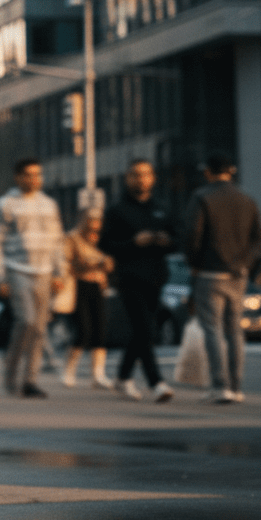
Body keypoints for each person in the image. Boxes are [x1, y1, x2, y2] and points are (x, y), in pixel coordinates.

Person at [183, 152, 261, 403]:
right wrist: (246, 265)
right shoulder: (247, 199)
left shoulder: (202, 197)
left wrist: (194, 264)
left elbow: (192, 235)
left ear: (208, 171)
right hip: (238, 274)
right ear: (231, 171)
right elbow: (258, 238)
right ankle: (236, 387)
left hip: (210, 272)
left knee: (212, 330)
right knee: (234, 331)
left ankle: (220, 386)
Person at [0, 158, 65, 398]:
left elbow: (57, 240)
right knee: (27, 321)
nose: (34, 179)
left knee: (40, 328)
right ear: (18, 177)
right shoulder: (5, 204)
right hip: (16, 269)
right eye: (29, 175)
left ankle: (30, 380)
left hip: (44, 271)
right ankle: (11, 368)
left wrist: (59, 272)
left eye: (38, 174)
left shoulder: (49, 205)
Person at [100, 159, 177, 402]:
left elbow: (178, 239)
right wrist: (134, 242)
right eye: (136, 174)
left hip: (156, 277)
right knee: (145, 330)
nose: (141, 179)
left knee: (142, 331)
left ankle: (123, 377)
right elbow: (105, 244)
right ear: (128, 178)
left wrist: (165, 241)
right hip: (129, 278)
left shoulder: (162, 208)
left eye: (146, 174)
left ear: (153, 178)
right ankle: (156, 382)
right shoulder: (116, 210)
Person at [59, 211, 115, 390]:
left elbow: (111, 262)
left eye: (98, 222)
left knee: (100, 329)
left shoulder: (102, 239)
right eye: (91, 222)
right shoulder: (72, 238)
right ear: (82, 221)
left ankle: (98, 375)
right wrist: (90, 264)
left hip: (98, 285)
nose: (94, 227)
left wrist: (107, 264)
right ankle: (68, 371)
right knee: (83, 330)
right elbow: (67, 262)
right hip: (78, 286)